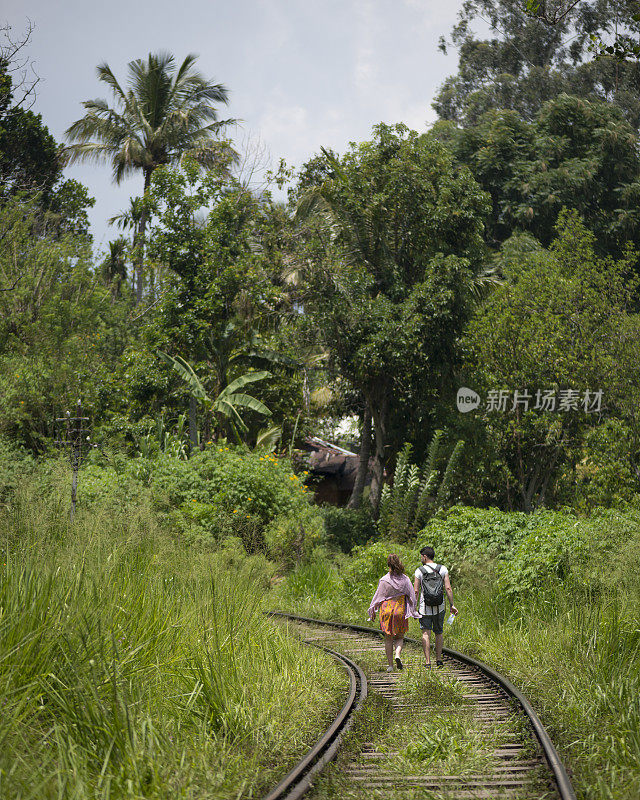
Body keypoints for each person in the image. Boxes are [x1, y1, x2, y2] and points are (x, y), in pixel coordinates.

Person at [368, 554, 420, 672]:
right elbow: (412, 595)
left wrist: (373, 610)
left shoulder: (384, 580)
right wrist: (413, 611)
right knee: (400, 637)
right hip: (399, 610)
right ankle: (397, 654)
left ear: (388, 565)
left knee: (388, 639)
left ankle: (390, 666)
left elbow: (378, 597)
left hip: (386, 610)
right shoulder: (405, 579)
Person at [413, 546, 457, 669]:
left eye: (421, 556)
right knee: (439, 633)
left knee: (426, 633)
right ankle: (438, 660)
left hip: (424, 608)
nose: (421, 558)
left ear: (424, 556)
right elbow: (448, 588)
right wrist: (452, 605)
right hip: (440, 606)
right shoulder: (442, 569)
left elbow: (416, 591)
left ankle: (427, 662)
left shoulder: (419, 571)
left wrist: (414, 608)